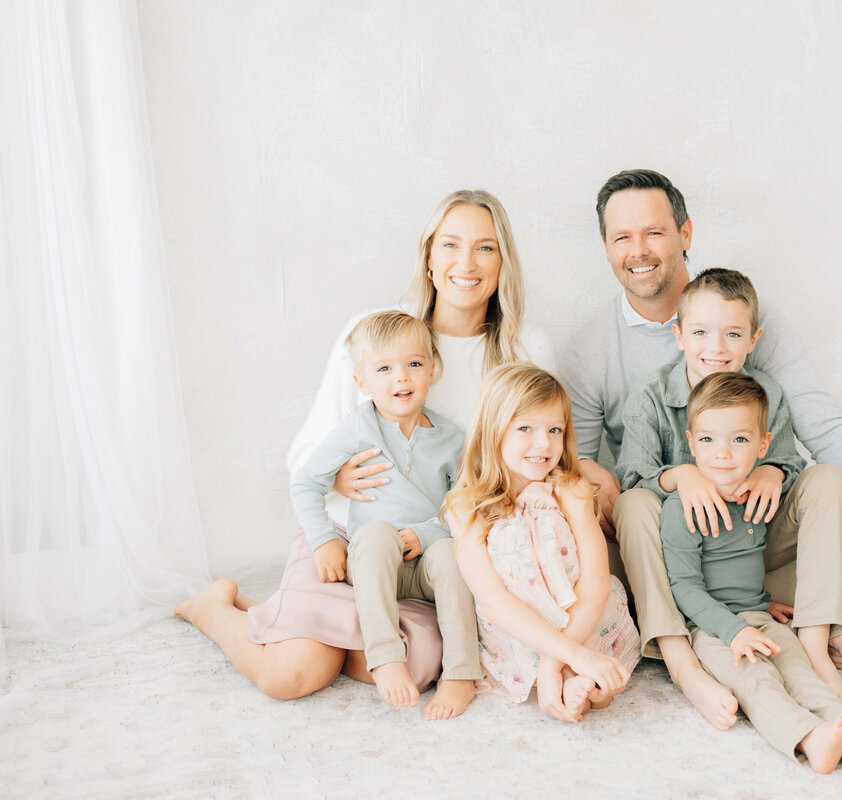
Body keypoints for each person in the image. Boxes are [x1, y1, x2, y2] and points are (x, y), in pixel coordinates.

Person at [559, 169, 842, 729]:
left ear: (685, 233)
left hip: (753, 531)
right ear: (606, 248)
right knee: (619, 523)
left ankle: (799, 625)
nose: (639, 251)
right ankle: (689, 646)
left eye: (654, 232)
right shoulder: (598, 355)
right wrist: (668, 480)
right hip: (670, 539)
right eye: (622, 237)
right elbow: (583, 466)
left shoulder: (746, 315)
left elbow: (818, 427)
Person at [175, 190, 554, 713]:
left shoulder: (522, 350)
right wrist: (339, 480)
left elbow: (539, 460)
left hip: (430, 551)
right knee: (294, 672)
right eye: (450, 245)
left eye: (485, 248)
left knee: (415, 667)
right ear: (427, 256)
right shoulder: (378, 334)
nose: (466, 263)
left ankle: (287, 617)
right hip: (349, 539)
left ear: (503, 260)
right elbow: (307, 458)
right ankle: (213, 609)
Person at [618, 268, 842, 704]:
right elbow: (632, 476)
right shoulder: (649, 394)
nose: (716, 348)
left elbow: (788, 460)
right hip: (686, 559)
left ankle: (813, 637)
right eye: (702, 332)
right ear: (679, 336)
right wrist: (681, 475)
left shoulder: (767, 391)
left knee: (831, 480)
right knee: (633, 503)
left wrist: (775, 471)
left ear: (753, 339)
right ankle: (677, 649)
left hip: (753, 542)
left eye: (732, 334)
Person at [660, 372, 842, 772]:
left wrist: (766, 605)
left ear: (764, 444)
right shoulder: (681, 509)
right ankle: (810, 739)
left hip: (761, 617)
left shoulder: (757, 499)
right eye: (709, 440)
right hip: (712, 630)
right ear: (691, 443)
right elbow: (684, 587)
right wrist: (733, 630)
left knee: (798, 670)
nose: (723, 453)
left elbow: (745, 567)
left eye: (740, 440)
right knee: (757, 681)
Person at [290, 310, 481, 713]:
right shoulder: (358, 427)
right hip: (374, 565)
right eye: (384, 368)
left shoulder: (452, 439)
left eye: (414, 364)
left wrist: (428, 535)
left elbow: (463, 506)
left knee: (452, 553)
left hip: (426, 564)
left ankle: (462, 674)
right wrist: (324, 541)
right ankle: (386, 657)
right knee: (376, 534)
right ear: (362, 381)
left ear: (433, 368)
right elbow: (307, 481)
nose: (402, 377)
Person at [446, 364, 640, 723]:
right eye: (525, 429)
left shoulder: (572, 488)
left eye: (555, 430)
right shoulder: (466, 505)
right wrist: (569, 657)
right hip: (520, 630)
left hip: (584, 618)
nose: (544, 444)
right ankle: (576, 677)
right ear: (493, 432)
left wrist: (558, 661)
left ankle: (579, 679)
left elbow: (595, 583)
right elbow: (493, 600)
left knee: (592, 666)